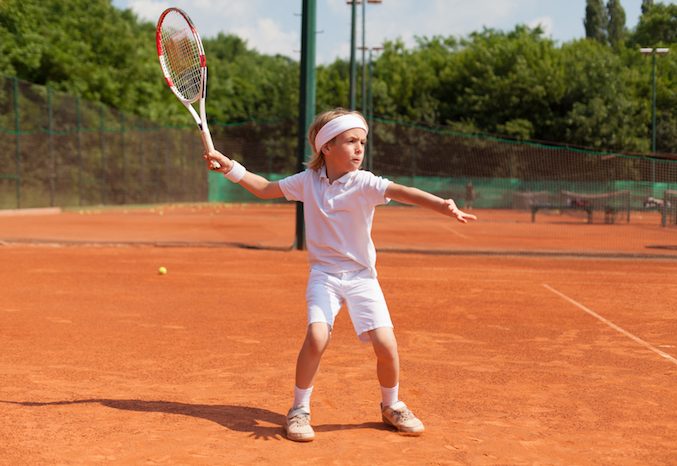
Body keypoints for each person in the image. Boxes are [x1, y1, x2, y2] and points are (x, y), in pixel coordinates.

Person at [203, 108, 477, 442]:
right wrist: (229, 167)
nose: (360, 148)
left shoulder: (365, 183)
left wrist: (443, 204)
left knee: (386, 344)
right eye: (351, 141)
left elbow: (402, 191)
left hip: (362, 277)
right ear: (326, 148)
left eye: (362, 141)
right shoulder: (308, 182)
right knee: (317, 336)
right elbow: (264, 188)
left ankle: (392, 405)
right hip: (325, 275)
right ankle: (299, 410)